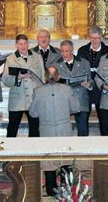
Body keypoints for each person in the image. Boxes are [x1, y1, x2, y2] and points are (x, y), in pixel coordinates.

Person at [29, 66, 80, 196]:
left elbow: (33, 113)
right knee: (66, 161)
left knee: (49, 162)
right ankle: (67, 188)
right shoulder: (67, 89)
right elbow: (75, 107)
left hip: (47, 131)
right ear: (58, 76)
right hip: (64, 130)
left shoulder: (38, 91)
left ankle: (51, 190)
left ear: (45, 76)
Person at [2, 34, 46, 137]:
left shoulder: (37, 57)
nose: (23, 46)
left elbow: (43, 77)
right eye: (20, 44)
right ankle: (9, 151)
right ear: (16, 45)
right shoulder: (10, 59)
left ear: (28, 43)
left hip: (33, 97)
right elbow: (5, 80)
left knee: (35, 128)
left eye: (25, 43)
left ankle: (34, 151)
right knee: (12, 128)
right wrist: (19, 77)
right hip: (17, 98)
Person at [55, 40, 93, 136]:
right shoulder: (55, 64)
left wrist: (89, 85)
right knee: (62, 128)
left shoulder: (84, 62)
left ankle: (83, 149)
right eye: (62, 51)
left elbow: (90, 79)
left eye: (67, 51)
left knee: (83, 128)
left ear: (72, 50)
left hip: (80, 99)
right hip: (63, 100)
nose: (64, 54)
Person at [77, 26, 108, 134]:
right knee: (83, 118)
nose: (94, 40)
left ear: (101, 38)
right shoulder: (82, 50)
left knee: (104, 119)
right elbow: (79, 68)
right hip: (85, 88)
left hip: (101, 89)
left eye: (97, 38)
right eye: (92, 38)